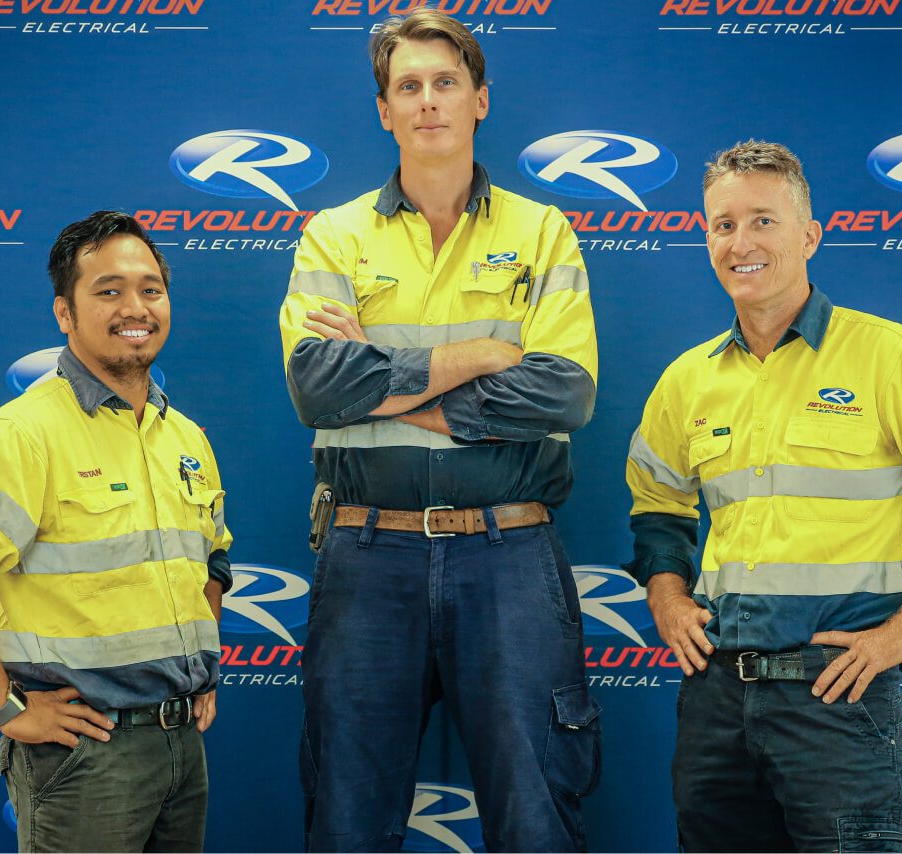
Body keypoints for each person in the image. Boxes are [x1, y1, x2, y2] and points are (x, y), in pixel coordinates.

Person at [278, 9, 600, 852]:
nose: (428, 102)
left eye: (445, 83)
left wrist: (389, 387)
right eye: (408, 86)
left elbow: (563, 393)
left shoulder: (544, 232)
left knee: (537, 816)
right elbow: (318, 386)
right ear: (384, 109)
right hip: (366, 556)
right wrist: (481, 354)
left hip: (510, 555)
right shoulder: (332, 235)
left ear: (480, 99)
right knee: (345, 819)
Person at [624, 139, 902, 852]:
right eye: (723, 224)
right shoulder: (687, 381)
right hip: (716, 698)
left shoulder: (892, 357)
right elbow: (657, 504)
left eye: (763, 221)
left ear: (809, 236)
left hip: (837, 695)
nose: (742, 242)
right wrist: (667, 596)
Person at [0, 211, 233, 853]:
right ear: (65, 312)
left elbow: (212, 561)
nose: (133, 307)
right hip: (88, 757)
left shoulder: (185, 438)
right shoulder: (23, 432)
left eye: (149, 288)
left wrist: (196, 670)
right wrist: (8, 710)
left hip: (181, 746)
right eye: (107, 290)